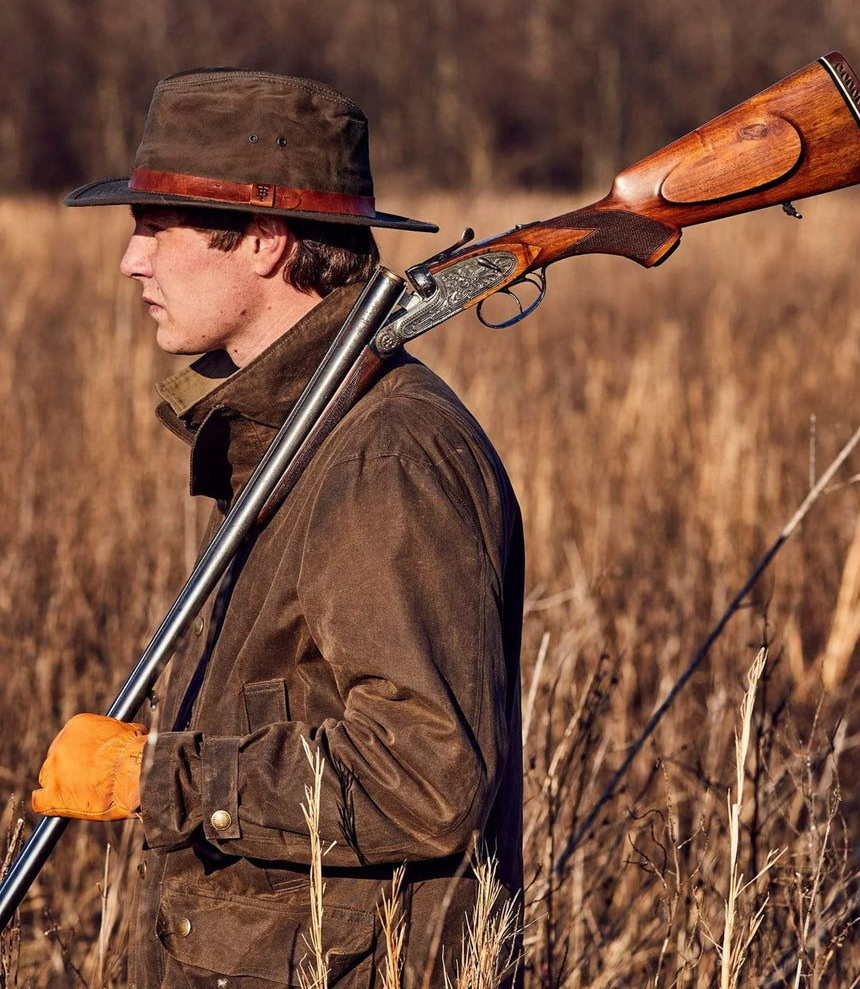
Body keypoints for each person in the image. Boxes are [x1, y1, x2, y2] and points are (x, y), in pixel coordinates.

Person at [31, 68, 524, 989]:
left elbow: (424, 777)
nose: (130, 262)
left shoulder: (385, 456)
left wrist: (161, 779)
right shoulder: (297, 427)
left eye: (153, 229)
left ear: (261, 241)